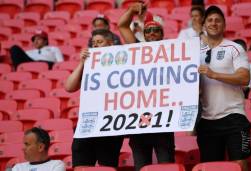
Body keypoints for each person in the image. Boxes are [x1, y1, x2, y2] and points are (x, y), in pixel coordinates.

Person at [118, 2, 175, 171]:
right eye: (148, 30)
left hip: (163, 120)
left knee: (167, 167)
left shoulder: (174, 52)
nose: (151, 33)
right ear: (143, 34)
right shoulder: (137, 49)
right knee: (141, 168)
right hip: (139, 121)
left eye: (155, 30)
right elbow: (122, 25)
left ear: (162, 34)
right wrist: (131, 10)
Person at [196, 6, 251, 171]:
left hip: (234, 117)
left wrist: (214, 74)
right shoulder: (196, 52)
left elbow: (244, 78)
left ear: (224, 25)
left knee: (239, 165)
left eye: (218, 20)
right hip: (207, 120)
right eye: (210, 20)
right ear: (204, 25)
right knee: (210, 167)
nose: (214, 23)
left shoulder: (234, 48)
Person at [65, 29, 124, 168]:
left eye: (100, 42)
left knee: (107, 166)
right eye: (93, 43)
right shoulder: (89, 65)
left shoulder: (122, 64)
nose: (96, 45)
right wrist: (82, 63)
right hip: (87, 124)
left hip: (110, 126)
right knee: (81, 165)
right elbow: (69, 87)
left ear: (110, 44)